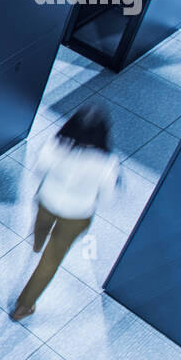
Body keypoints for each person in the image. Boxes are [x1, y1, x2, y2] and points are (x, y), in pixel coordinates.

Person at [11, 103, 120, 321]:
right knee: (51, 260)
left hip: (48, 200)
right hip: (76, 213)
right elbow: (107, 198)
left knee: (40, 224)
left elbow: (39, 170)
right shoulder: (108, 163)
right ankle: (23, 307)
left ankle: (37, 243)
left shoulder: (55, 146)